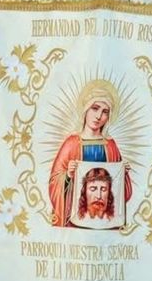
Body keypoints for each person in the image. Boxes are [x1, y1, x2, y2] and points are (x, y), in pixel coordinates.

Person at [48, 79, 133, 228]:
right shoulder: (71, 143)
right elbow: (54, 183)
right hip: (76, 221)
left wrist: (123, 173)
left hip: (105, 220)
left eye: (105, 112)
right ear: (86, 109)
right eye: (95, 108)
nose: (99, 116)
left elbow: (121, 192)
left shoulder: (110, 146)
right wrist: (67, 176)